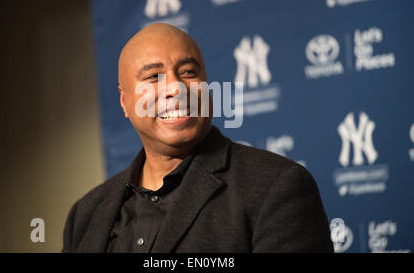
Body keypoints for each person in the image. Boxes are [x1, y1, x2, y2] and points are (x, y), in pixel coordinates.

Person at [62, 23, 334, 253]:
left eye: (188, 73)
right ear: (124, 101)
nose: (175, 88)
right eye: (153, 77)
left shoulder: (276, 187)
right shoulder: (85, 214)